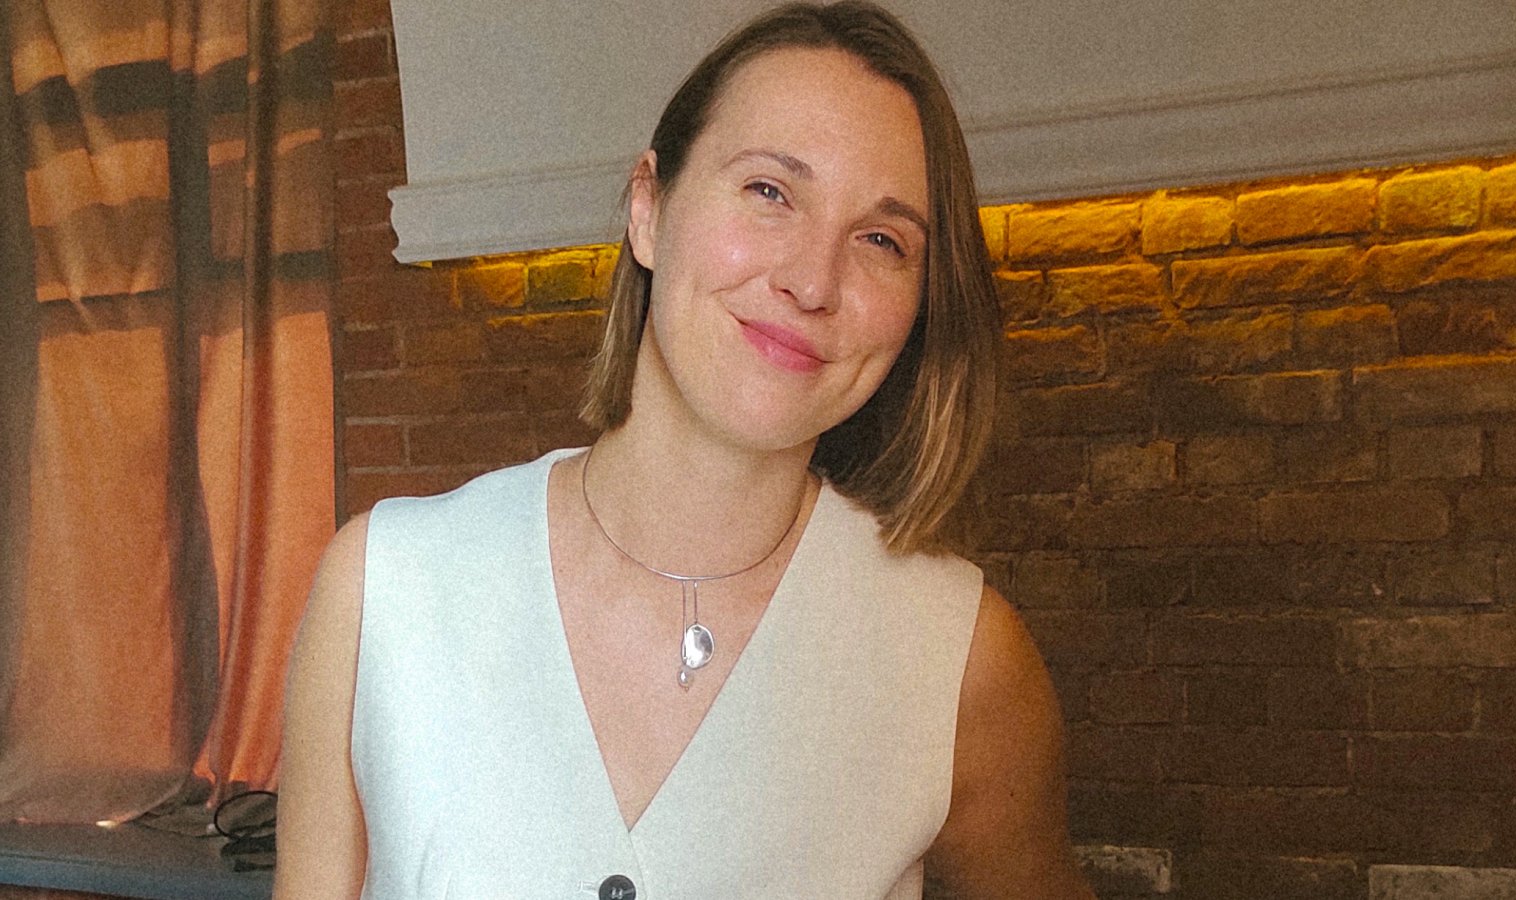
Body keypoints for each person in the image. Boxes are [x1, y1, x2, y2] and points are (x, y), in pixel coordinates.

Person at [275, 3, 1097, 898]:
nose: (812, 281)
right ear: (649, 208)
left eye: (881, 240)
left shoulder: (963, 660)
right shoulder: (384, 589)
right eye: (770, 192)